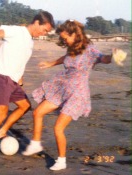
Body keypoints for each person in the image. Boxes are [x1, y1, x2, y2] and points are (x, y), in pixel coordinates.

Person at [22, 20, 112, 171]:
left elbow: (103, 58)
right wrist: (50, 63)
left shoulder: (90, 50)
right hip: (62, 88)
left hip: (77, 94)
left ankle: (61, 161)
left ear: (75, 34)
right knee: (38, 112)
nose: (64, 40)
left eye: (65, 38)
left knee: (58, 128)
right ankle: (36, 144)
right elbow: (65, 58)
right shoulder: (72, 48)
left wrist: (114, 56)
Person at [0, 11, 55, 160]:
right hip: (1, 77)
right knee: (1, 113)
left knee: (25, 106)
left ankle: (1, 131)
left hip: (13, 81)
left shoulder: (30, 42)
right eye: (45, 30)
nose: (44, 33)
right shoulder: (17, 31)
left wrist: (20, 79)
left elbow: (19, 61)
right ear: (37, 22)